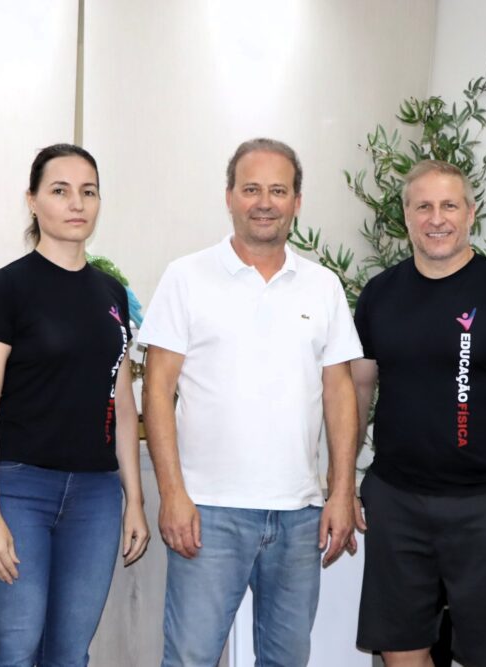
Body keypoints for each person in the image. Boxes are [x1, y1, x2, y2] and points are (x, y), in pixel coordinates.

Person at [138, 138, 363, 666]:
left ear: (297, 202)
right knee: (191, 659)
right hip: (208, 511)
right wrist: (172, 494)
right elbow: (157, 389)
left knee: (287, 661)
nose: (264, 203)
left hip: (299, 516)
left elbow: (340, 392)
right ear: (229, 197)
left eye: (278, 191)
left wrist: (340, 491)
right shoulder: (186, 276)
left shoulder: (323, 285)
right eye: (251, 189)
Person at [353, 160, 486, 667]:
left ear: (471, 213)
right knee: (399, 650)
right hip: (397, 500)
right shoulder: (379, 294)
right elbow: (357, 389)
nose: (436, 218)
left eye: (449, 205)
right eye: (423, 206)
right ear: (406, 216)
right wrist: (341, 483)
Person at [0, 143, 149, 667]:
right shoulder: (5, 288)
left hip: (95, 496)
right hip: (18, 489)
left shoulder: (112, 294)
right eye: (60, 190)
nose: (77, 203)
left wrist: (134, 500)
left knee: (69, 654)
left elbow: (123, 404)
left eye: (88, 192)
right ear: (33, 200)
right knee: (14, 651)